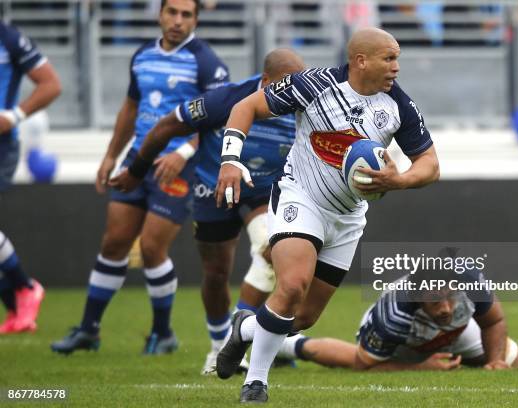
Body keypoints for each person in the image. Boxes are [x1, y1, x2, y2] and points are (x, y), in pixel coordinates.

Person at [214, 27, 440, 403]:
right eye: (389, 58)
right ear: (361, 60)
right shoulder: (315, 85)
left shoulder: (398, 105)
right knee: (291, 286)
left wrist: (398, 180)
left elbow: (430, 165)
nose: (396, 67)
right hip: (300, 198)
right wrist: (230, 160)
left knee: (301, 317)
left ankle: (246, 329)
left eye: (397, 58)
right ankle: (256, 382)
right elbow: (246, 107)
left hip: (348, 218)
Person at [109, 48, 305, 373]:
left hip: (266, 191)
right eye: (284, 88)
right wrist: (137, 169)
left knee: (270, 253)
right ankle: (218, 346)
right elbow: (166, 127)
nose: (291, 97)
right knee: (215, 274)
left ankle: (241, 341)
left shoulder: (304, 106)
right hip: (215, 187)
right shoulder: (224, 100)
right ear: (265, 81)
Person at [50, 0, 229, 355]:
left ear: (195, 19)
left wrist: (183, 152)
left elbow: (218, 115)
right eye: (172, 12)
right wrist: (110, 156)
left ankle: (162, 333)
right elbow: (131, 109)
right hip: (138, 159)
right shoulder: (142, 55)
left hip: (178, 164)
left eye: (186, 15)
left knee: (150, 248)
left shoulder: (206, 62)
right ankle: (88, 330)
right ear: (160, 14)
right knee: (114, 242)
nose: (178, 21)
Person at [275, 268, 518, 371]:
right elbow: (366, 366)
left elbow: (493, 321)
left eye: (450, 297)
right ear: (418, 299)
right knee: (357, 361)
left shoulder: (470, 282)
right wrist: (420, 366)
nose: (447, 309)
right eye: (436, 302)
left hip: (454, 335)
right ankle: (290, 346)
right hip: (405, 344)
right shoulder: (393, 316)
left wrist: (494, 361)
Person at [0, 22, 61, 334]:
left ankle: (24, 289)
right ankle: (16, 302)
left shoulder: (10, 39)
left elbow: (51, 83)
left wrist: (13, 117)